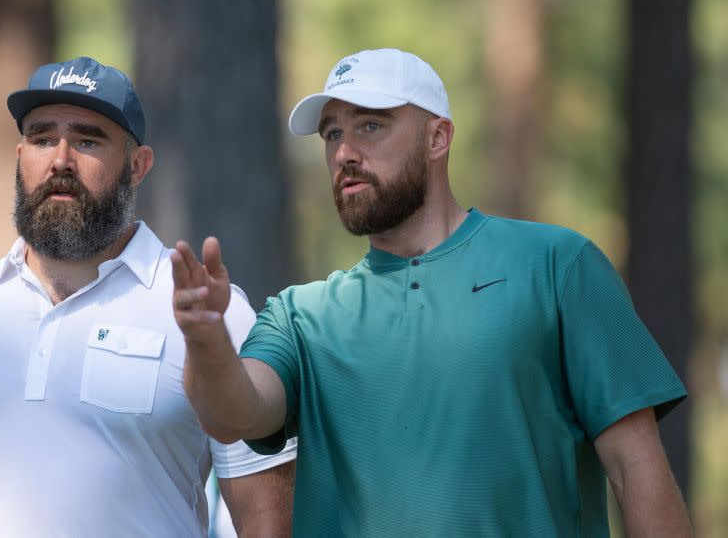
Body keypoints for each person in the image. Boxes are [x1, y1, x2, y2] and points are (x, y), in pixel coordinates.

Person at [171, 48, 691, 537]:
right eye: (332, 134)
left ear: (437, 139)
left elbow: (634, 466)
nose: (345, 152)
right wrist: (204, 338)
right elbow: (233, 413)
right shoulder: (301, 317)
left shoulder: (557, 266)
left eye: (370, 125)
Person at [0, 56, 296, 537]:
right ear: (19, 155)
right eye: (43, 138)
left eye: (88, 140)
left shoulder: (205, 314)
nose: (60, 160)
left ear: (137, 166)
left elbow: (266, 522)